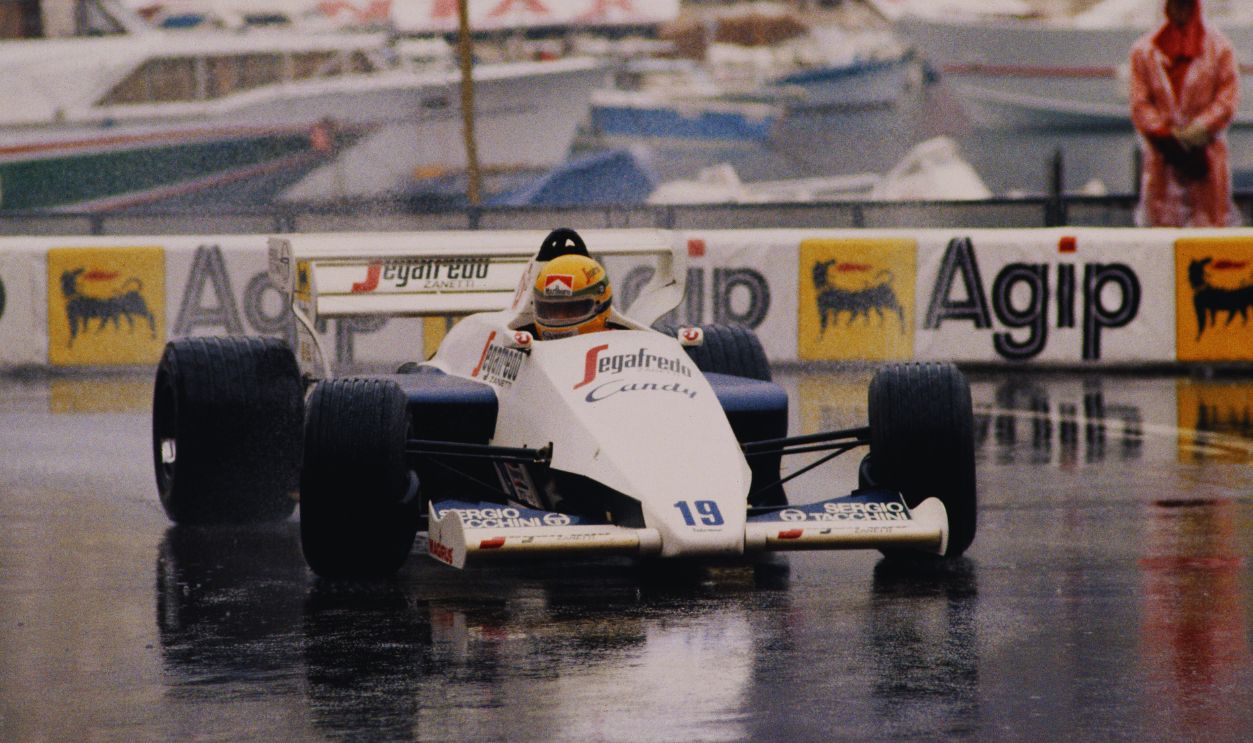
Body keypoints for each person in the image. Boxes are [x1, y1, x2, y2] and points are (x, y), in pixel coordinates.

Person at [1129, 0, 1239, 227]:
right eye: (1175, 5)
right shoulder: (1144, 52)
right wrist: (1165, 136)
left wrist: (1199, 130)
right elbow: (1140, 103)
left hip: (1206, 155)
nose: (1180, 10)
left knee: (1209, 228)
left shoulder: (1219, 49)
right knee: (1162, 230)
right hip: (1162, 156)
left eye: (1186, 5)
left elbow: (1227, 98)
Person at [532, 253, 613, 340]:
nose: (560, 318)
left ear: (601, 306)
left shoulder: (621, 345)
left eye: (572, 310)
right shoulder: (524, 346)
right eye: (551, 310)